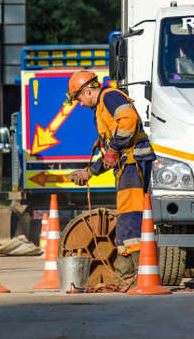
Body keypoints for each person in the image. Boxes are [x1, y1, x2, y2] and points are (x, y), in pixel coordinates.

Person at [66, 70, 156, 287]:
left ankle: (139, 277)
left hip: (133, 164)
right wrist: (88, 172)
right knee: (126, 220)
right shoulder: (102, 107)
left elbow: (128, 121)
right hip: (128, 164)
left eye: (78, 98)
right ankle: (124, 277)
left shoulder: (109, 96)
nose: (79, 104)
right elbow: (110, 153)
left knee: (131, 219)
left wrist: (113, 149)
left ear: (88, 91)